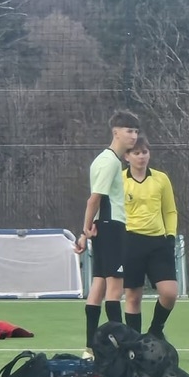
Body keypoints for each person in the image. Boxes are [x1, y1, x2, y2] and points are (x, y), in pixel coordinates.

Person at [75, 111, 140, 348]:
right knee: (114, 289)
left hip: (105, 226)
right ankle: (120, 346)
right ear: (115, 132)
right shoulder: (110, 161)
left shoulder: (106, 159)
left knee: (98, 286)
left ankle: (90, 346)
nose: (133, 136)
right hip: (111, 227)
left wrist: (88, 230)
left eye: (136, 131)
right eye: (129, 131)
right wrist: (85, 230)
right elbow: (94, 199)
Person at [121, 135, 179, 337]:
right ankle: (134, 341)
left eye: (144, 152)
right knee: (133, 297)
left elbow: (170, 211)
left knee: (169, 293)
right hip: (130, 242)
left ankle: (155, 331)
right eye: (136, 153)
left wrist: (170, 236)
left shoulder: (161, 179)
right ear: (127, 156)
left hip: (158, 243)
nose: (141, 157)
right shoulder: (119, 180)